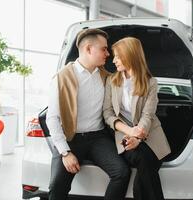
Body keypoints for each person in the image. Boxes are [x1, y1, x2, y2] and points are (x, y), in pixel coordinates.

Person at [46, 28, 130, 200]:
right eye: (104, 49)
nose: (108, 53)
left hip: (98, 138)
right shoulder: (61, 78)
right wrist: (65, 153)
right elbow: (52, 118)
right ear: (88, 49)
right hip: (70, 139)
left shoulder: (107, 77)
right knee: (56, 188)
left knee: (122, 172)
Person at [103, 37, 171, 200]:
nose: (114, 60)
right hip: (124, 135)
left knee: (146, 161)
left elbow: (148, 114)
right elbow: (108, 113)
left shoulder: (151, 83)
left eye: (118, 56)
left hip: (151, 134)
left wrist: (138, 137)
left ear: (130, 55)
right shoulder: (111, 81)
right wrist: (130, 132)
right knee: (145, 159)